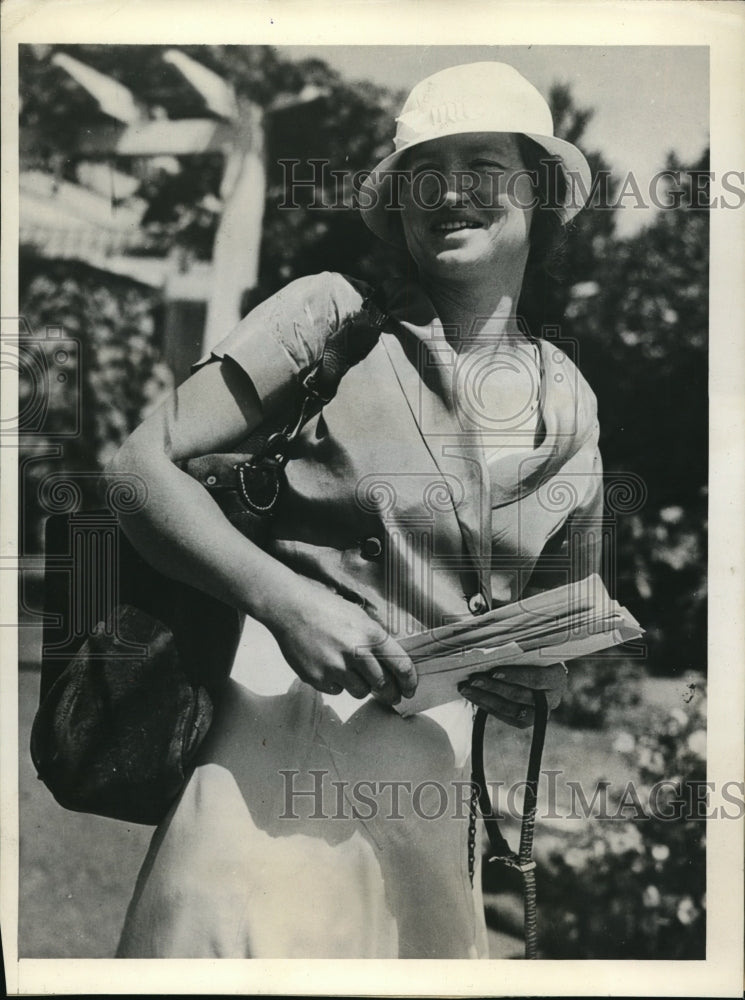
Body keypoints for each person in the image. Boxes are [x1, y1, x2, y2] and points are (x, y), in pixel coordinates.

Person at [112, 61, 603, 959]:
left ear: (537, 188)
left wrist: (538, 677)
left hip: (429, 797)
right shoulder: (331, 321)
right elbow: (139, 468)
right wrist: (284, 600)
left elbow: (561, 626)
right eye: (423, 169)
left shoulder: (571, 402)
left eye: (482, 162)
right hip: (269, 766)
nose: (449, 190)